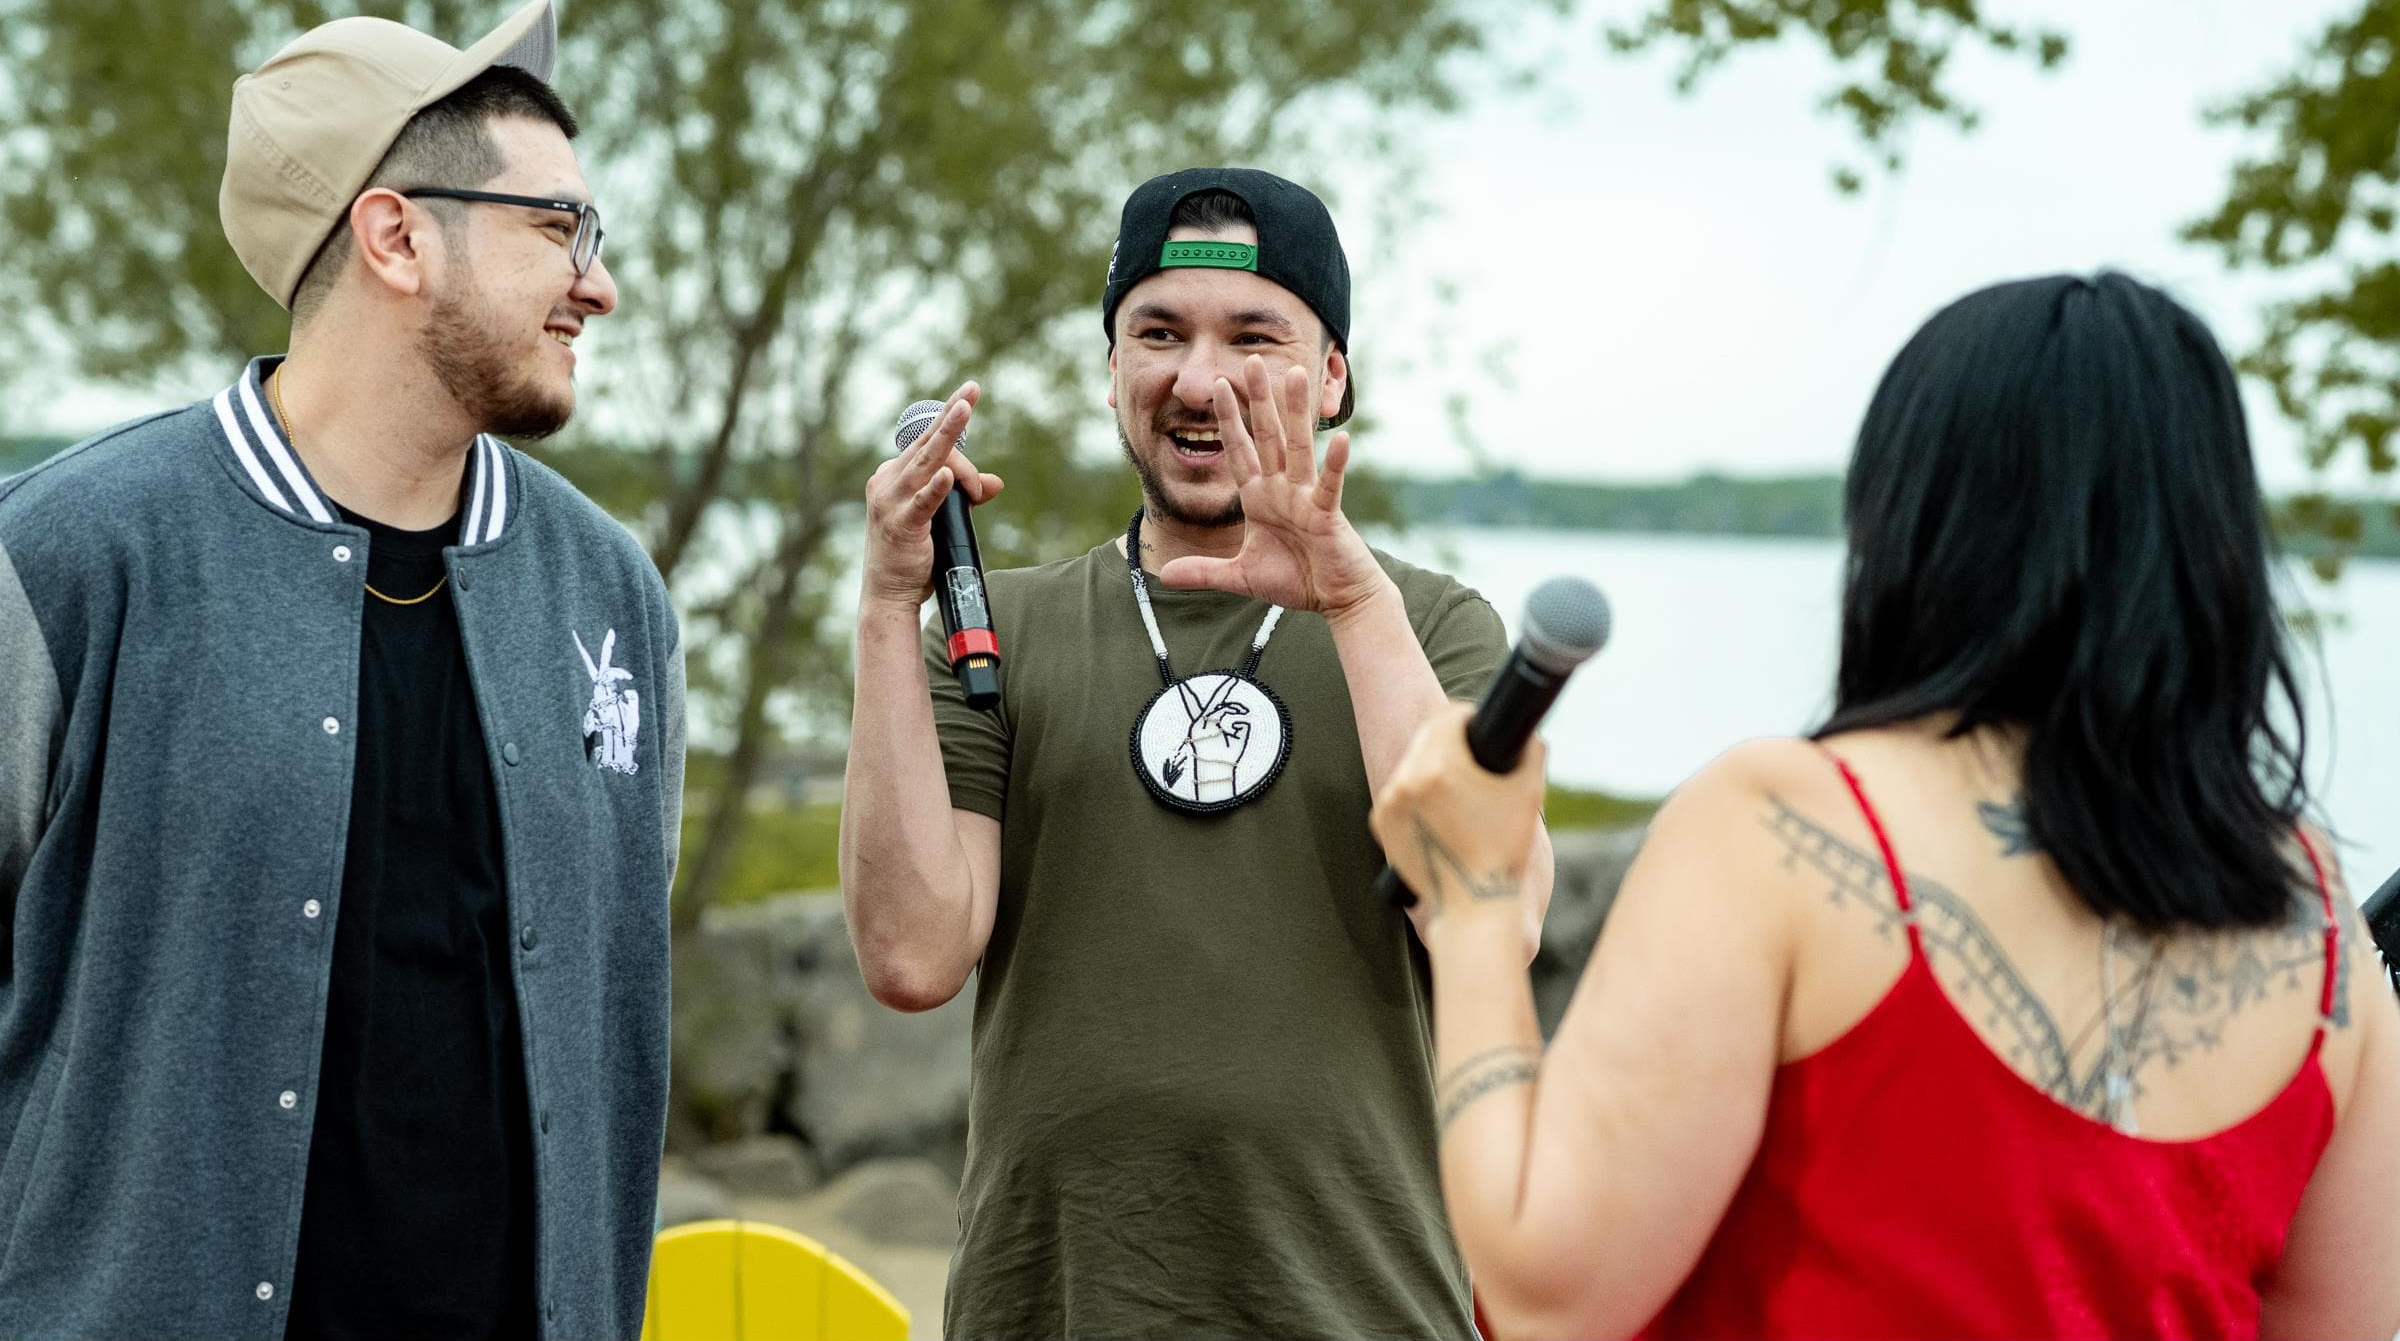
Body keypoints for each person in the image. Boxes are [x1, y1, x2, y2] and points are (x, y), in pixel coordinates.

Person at [1372, 271, 2400, 1339]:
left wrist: (1476, 903)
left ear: (1909, 518)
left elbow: (1549, 1297)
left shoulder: (1786, 825)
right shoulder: (2317, 917)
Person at [0, 0, 682, 1337]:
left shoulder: (614, 596)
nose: (597, 283)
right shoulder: (63, 559)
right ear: (397, 236)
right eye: (559, 229)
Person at [840, 166, 1555, 1338]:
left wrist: (1352, 602)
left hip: (1360, 1305)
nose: (1200, 379)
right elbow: (913, 956)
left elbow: (1494, 922)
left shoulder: (1429, 628)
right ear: (1112, 367)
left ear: (1334, 376)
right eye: (1159, 333)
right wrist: (883, 604)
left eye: (1254, 337)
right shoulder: (999, 630)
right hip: (1052, 1304)